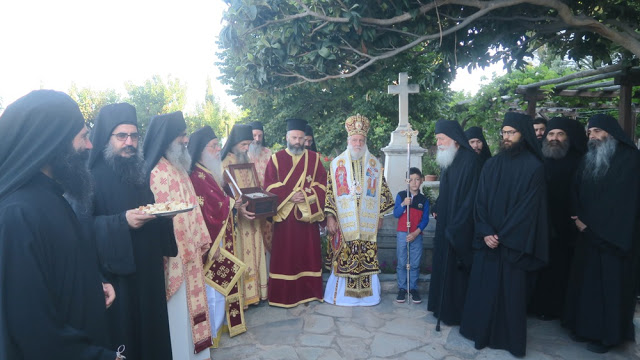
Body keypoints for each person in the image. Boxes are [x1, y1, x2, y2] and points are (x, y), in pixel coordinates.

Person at [0, 90, 120, 360]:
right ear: (52, 142)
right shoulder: (15, 214)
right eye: (83, 137)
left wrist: (94, 284)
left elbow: (58, 270)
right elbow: (31, 329)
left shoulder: (51, 197)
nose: (90, 146)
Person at [85, 103, 177, 360]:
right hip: (117, 280)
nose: (130, 142)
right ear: (107, 138)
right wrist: (121, 222)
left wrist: (162, 215)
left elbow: (148, 210)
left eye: (134, 136)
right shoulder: (90, 177)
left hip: (148, 274)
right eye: (121, 136)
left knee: (153, 338)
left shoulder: (138, 172)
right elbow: (81, 228)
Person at [459, 112, 548, 357]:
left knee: (510, 296)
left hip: (512, 245)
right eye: (504, 132)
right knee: (484, 291)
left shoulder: (535, 167)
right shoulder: (492, 163)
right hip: (490, 242)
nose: (506, 137)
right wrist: (486, 230)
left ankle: (509, 340)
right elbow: (481, 201)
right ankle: (480, 333)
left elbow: (529, 210)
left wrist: (502, 235)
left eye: (511, 133)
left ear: (523, 135)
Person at [563, 114, 640, 354]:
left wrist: (592, 226)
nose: (592, 136)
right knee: (586, 287)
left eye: (596, 131)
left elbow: (625, 203)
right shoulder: (589, 158)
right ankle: (583, 328)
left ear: (610, 132)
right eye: (589, 132)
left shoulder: (632, 160)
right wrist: (577, 216)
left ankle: (607, 337)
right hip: (587, 236)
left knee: (610, 289)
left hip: (615, 240)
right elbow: (575, 188)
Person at [144, 111, 214, 360]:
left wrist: (200, 240)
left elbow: (193, 208)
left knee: (191, 313)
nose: (186, 140)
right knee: (177, 317)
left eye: (185, 134)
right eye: (181, 135)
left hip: (191, 254)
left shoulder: (180, 169)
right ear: (166, 138)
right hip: (173, 259)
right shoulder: (153, 172)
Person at [323, 114, 395, 306]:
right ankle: (343, 297)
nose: (358, 143)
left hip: (367, 222)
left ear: (365, 142)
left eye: (361, 140)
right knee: (344, 256)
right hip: (344, 222)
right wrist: (330, 217)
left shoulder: (374, 164)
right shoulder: (336, 164)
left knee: (366, 256)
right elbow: (330, 192)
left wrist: (380, 215)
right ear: (348, 141)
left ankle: (367, 296)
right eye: (354, 140)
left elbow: (382, 191)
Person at [187, 126, 247, 346]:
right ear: (201, 150)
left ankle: (218, 325)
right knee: (212, 287)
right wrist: (231, 203)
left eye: (218, 145)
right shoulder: (197, 174)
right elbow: (209, 206)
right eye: (213, 146)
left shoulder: (210, 171)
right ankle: (210, 332)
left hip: (221, 235)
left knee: (221, 284)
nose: (217, 149)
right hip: (210, 240)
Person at [263, 118, 327, 307]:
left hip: (307, 218)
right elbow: (268, 186)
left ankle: (309, 292)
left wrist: (306, 195)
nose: (297, 141)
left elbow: (322, 185)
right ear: (287, 137)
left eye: (300, 138)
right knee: (286, 255)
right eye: (294, 137)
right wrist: (291, 195)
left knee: (307, 254)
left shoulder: (314, 159)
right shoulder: (276, 159)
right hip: (286, 219)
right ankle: (284, 296)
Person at [528, 117, 586, 321]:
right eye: (551, 134)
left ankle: (558, 309)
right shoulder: (539, 161)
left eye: (560, 134)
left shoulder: (581, 162)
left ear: (568, 138)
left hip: (568, 229)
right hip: (541, 224)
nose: (554, 138)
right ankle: (538, 305)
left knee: (563, 269)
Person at [428, 120, 481, 325]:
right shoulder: (449, 158)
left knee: (457, 273)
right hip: (446, 224)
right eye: (438, 139)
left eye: (441, 139)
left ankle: (454, 313)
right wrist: (438, 207)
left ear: (454, 139)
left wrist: (456, 227)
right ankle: (440, 307)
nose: (439, 143)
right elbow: (446, 191)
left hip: (460, 227)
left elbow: (471, 199)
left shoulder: (471, 161)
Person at [222, 124, 268, 306]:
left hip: (253, 219)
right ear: (234, 143)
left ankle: (256, 294)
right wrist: (236, 207)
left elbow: (253, 187)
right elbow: (222, 195)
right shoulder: (224, 163)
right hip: (237, 223)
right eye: (244, 144)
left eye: (249, 144)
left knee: (255, 253)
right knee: (241, 254)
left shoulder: (247, 162)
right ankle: (242, 299)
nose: (247, 148)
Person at [393, 167, 430, 304]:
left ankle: (413, 288)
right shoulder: (401, 195)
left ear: (421, 181)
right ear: (406, 181)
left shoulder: (424, 200)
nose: (414, 182)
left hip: (416, 235)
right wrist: (403, 204)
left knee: (414, 263)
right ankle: (402, 288)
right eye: (411, 179)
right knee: (402, 261)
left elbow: (425, 220)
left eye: (417, 179)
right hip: (403, 233)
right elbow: (396, 213)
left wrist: (416, 233)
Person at [248, 121, 274, 266]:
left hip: (267, 206)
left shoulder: (268, 153)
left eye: (260, 135)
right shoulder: (243, 153)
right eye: (254, 136)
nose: (257, 139)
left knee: (268, 240)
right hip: (249, 207)